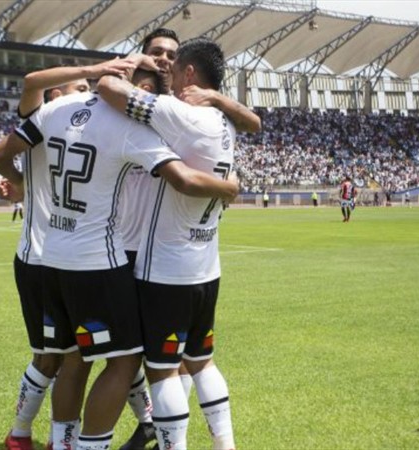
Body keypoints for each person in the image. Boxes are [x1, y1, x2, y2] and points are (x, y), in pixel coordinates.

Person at [0, 62, 238, 450]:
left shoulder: (57, 109)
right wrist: (229, 185)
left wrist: (25, 187)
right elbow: (184, 179)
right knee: (125, 362)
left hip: (48, 257)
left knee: (72, 361)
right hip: (97, 261)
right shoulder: (129, 128)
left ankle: (61, 443)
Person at [0, 59, 157, 450]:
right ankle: (25, 435)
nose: (85, 93)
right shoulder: (46, 112)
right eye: (76, 87)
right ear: (55, 92)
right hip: (46, 258)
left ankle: (60, 439)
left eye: (87, 87)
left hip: (62, 256)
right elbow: (30, 81)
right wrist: (23, 184)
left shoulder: (63, 120)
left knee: (85, 355)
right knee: (58, 360)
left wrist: (21, 183)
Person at [116, 28, 261, 450]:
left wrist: (124, 66)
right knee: (201, 363)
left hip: (165, 267)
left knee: (162, 370)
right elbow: (252, 121)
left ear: (190, 71)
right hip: (205, 265)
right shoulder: (222, 122)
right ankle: (224, 445)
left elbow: (109, 89)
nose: (169, 70)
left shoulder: (178, 113)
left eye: (174, 64)